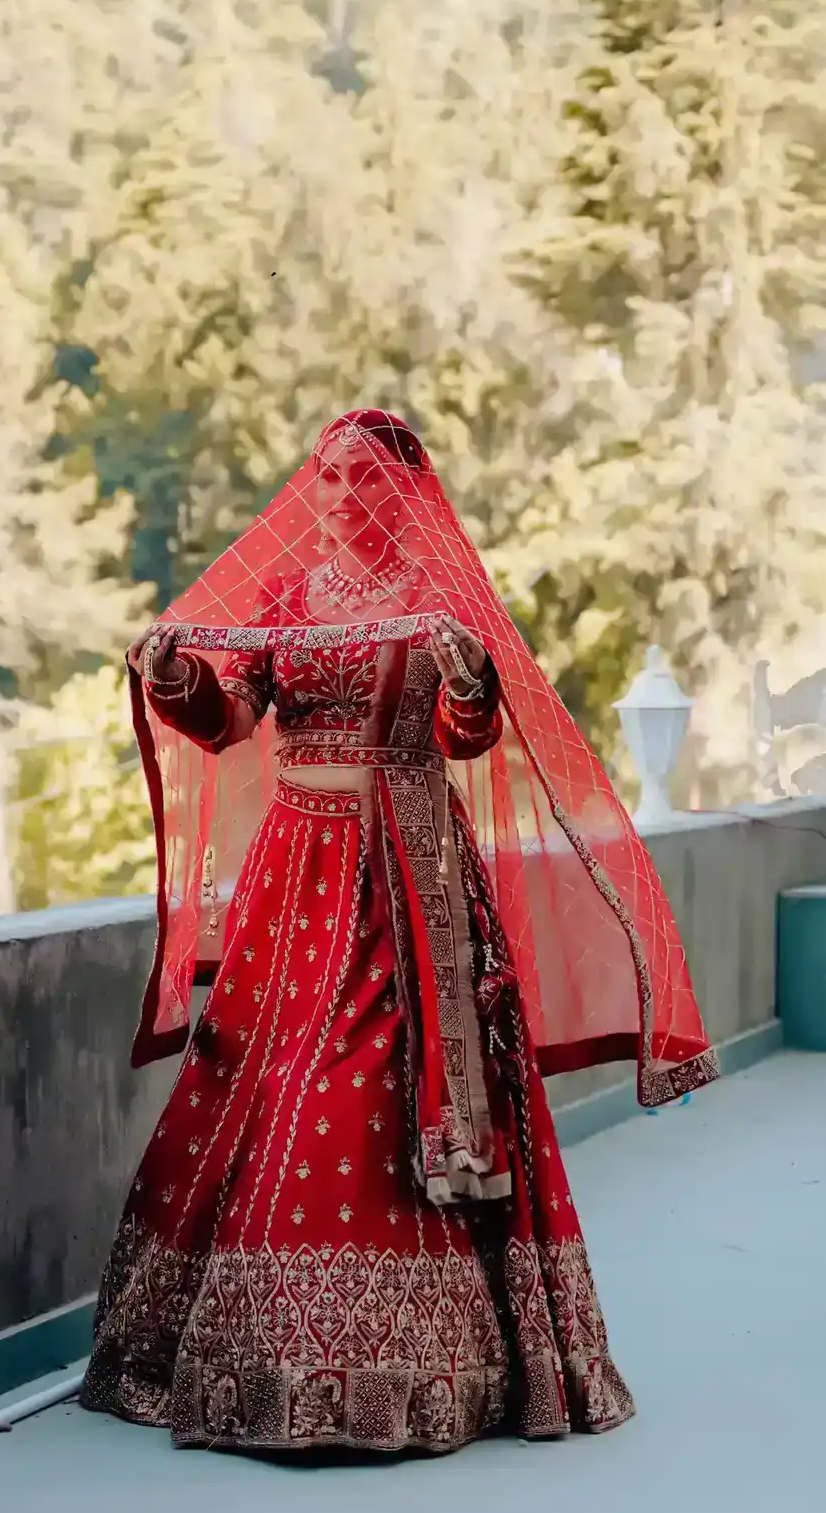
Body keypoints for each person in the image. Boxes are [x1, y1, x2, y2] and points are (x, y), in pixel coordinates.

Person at [80, 409, 718, 1455]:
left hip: (405, 877)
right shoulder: (285, 599)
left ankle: (409, 1370)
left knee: (366, 1086)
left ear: (405, 495)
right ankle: (256, 1364)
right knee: (262, 1083)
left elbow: (469, 737)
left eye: (365, 480)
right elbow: (229, 723)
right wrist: (173, 679)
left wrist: (466, 683)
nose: (340, 497)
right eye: (328, 477)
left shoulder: (436, 600)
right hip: (293, 881)